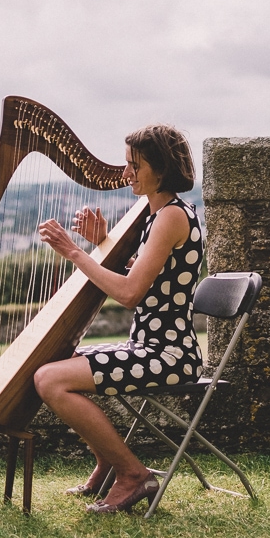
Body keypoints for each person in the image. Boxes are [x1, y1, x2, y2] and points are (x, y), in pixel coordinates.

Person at [35, 124, 204, 514]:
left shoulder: (171, 217)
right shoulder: (159, 214)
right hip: (149, 348)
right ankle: (109, 465)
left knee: (50, 380)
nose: (125, 172)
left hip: (170, 356)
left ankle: (132, 473)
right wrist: (101, 243)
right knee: (55, 362)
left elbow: (130, 293)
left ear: (161, 170)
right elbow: (146, 275)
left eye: (134, 165)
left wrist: (74, 252)